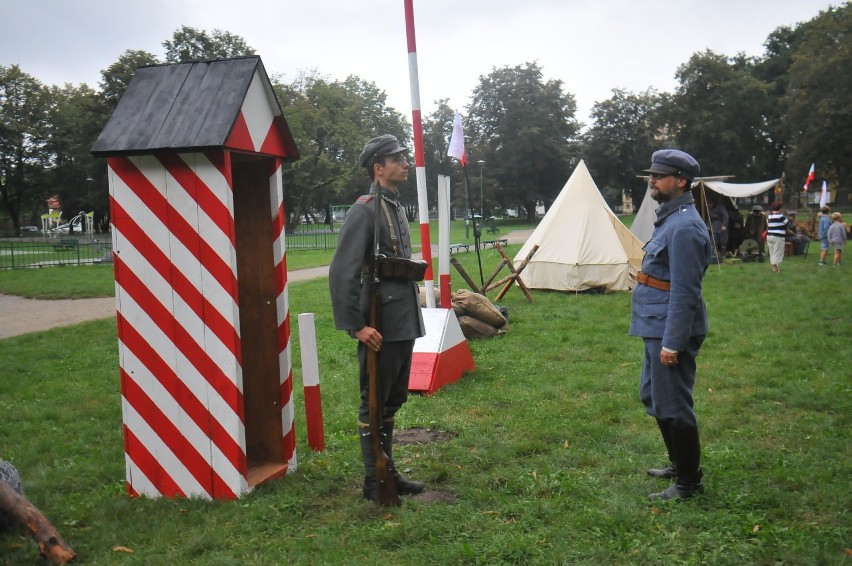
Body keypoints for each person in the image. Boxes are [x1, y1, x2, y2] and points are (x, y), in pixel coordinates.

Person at [328, 134, 426, 503]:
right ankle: (375, 480)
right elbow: (342, 272)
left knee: (392, 399)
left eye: (404, 158)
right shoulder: (365, 209)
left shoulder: (396, 206)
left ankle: (389, 471)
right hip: (380, 321)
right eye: (397, 159)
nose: (404, 164)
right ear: (378, 167)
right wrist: (357, 325)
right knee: (374, 399)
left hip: (402, 318)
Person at [631, 149, 712, 501]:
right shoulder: (670, 219)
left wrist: (673, 343)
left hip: (669, 330)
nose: (652, 180)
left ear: (680, 181)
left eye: (659, 175)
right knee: (654, 397)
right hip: (655, 324)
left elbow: (685, 291)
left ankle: (689, 484)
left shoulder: (685, 227)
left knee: (674, 405)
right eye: (652, 174)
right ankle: (679, 465)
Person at [766, 201, 789, 272]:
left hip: (769, 236)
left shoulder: (769, 216)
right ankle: (774, 268)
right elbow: (787, 223)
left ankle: (773, 266)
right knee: (777, 252)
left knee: (772, 252)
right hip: (778, 236)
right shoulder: (781, 216)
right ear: (780, 208)